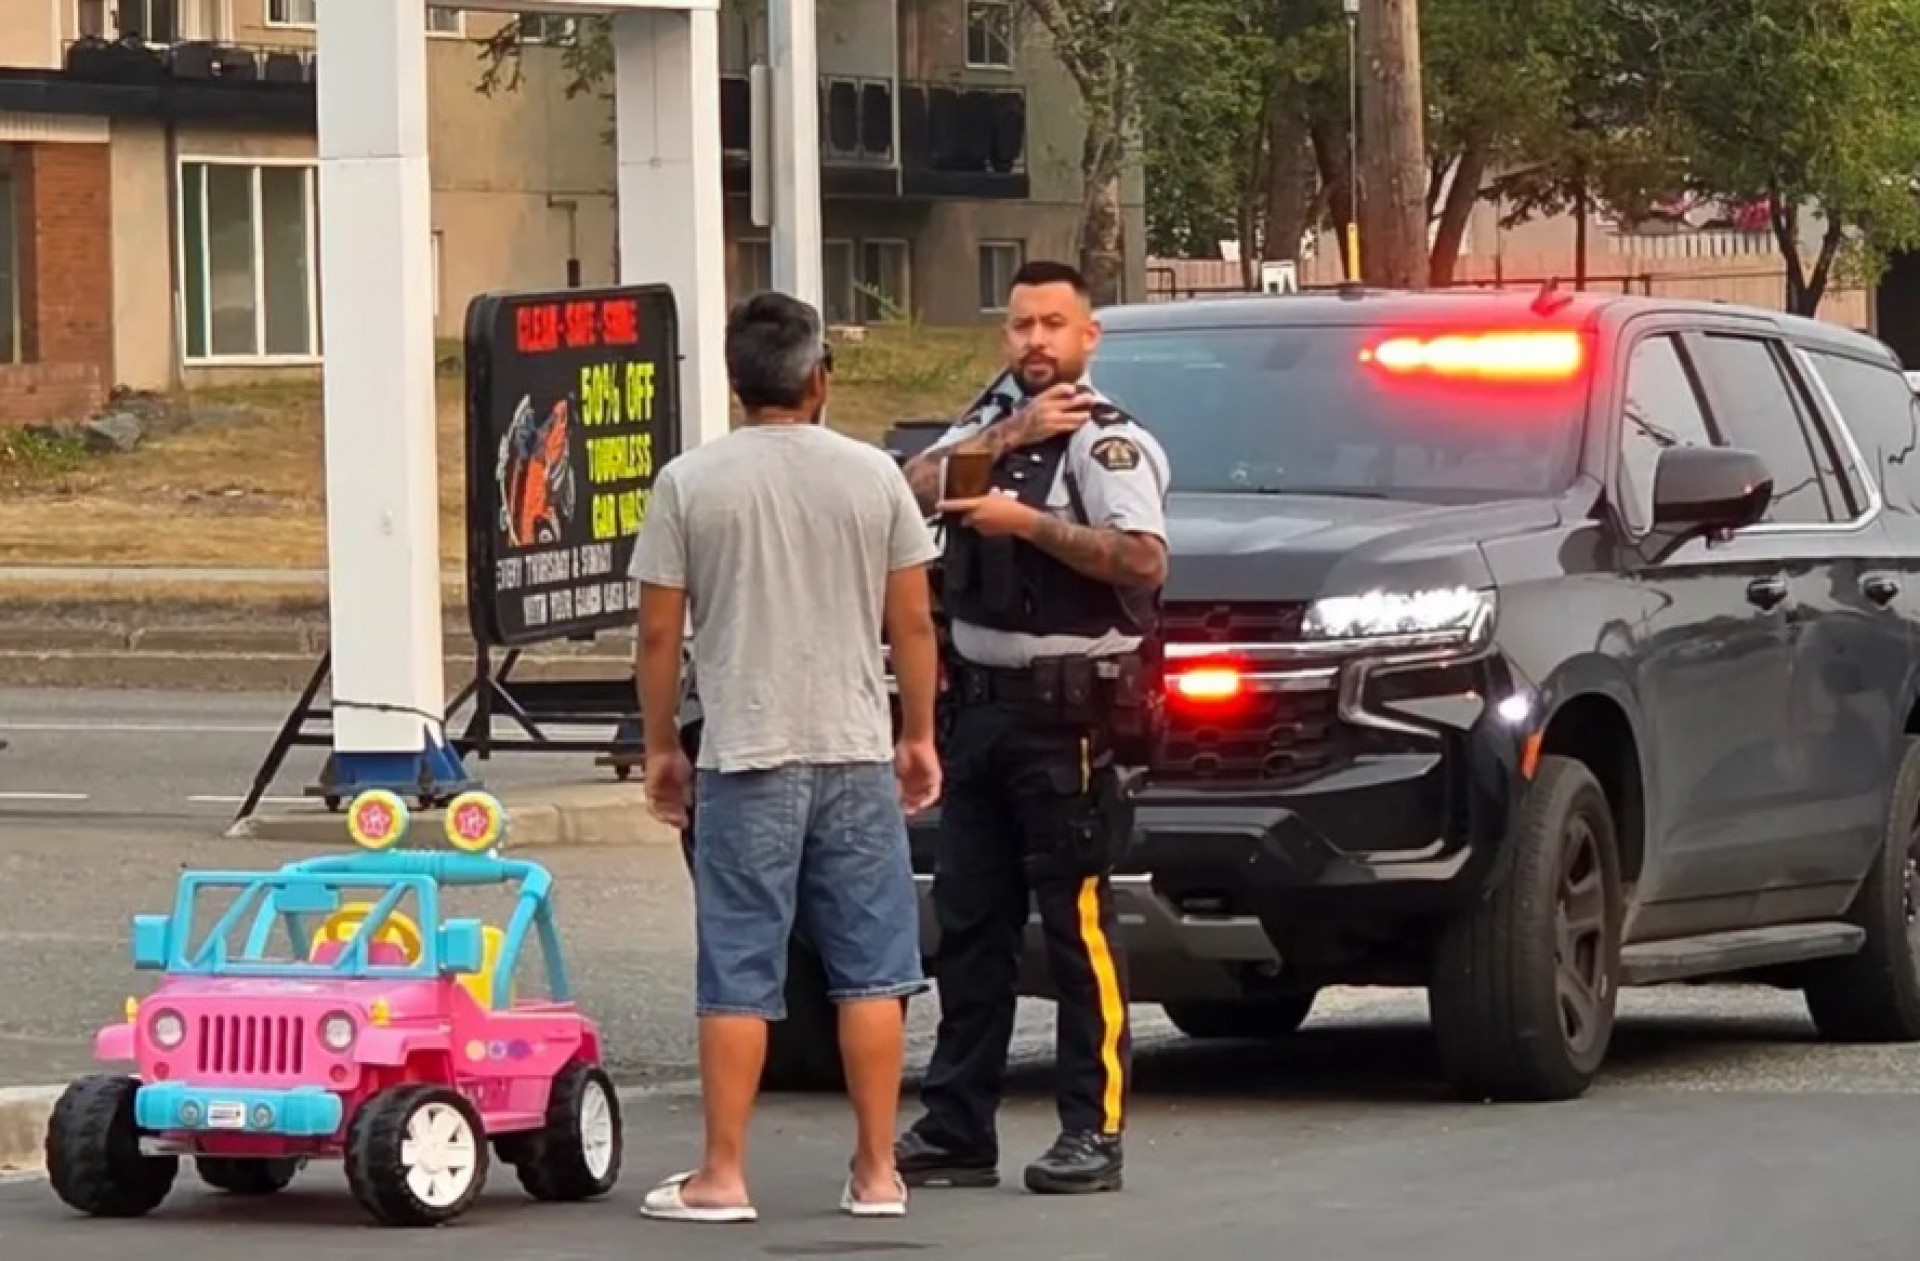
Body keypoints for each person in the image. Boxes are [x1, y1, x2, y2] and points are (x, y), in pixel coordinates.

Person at [630, 290, 944, 1223]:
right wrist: (917, 732)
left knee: (738, 966)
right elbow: (914, 619)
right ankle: (879, 1169)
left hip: (746, 749)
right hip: (852, 747)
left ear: (737, 385)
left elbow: (657, 634)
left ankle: (723, 1174)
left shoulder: (691, 481)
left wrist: (658, 746)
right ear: (819, 379)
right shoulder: (874, 477)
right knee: (874, 968)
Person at [893, 259, 1171, 1195]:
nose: (1037, 341)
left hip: (1071, 721)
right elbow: (911, 492)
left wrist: (1029, 525)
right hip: (980, 715)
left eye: (1055, 324)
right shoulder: (989, 428)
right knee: (970, 927)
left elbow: (1142, 560)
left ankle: (1093, 1130)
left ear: (1089, 336)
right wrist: (1006, 432)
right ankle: (957, 1128)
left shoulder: (1107, 445)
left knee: (1076, 928)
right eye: (1021, 326)